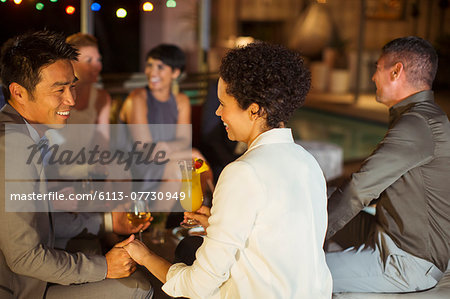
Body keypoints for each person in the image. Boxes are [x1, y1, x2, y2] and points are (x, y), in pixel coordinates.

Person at [122, 42, 332, 298]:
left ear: (254, 110)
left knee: (181, 256)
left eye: (224, 103)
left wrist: (145, 257)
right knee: (191, 244)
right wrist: (217, 224)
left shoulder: (242, 172)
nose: (218, 112)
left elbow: (196, 287)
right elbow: (279, 240)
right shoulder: (308, 162)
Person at [0, 30, 153, 298]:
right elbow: (23, 258)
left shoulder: (26, 133)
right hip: (20, 288)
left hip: (30, 276)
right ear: (19, 92)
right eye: (59, 89)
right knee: (138, 288)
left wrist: (108, 222)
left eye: (72, 86)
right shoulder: (12, 147)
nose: (71, 99)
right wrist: (104, 267)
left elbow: (40, 223)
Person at [325, 36, 450, 293]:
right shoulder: (422, 117)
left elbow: (359, 189)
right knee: (322, 197)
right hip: (389, 232)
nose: (373, 77)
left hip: (409, 261)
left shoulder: (417, 125)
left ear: (396, 71)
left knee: (298, 272)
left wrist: (309, 233)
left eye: (377, 68)